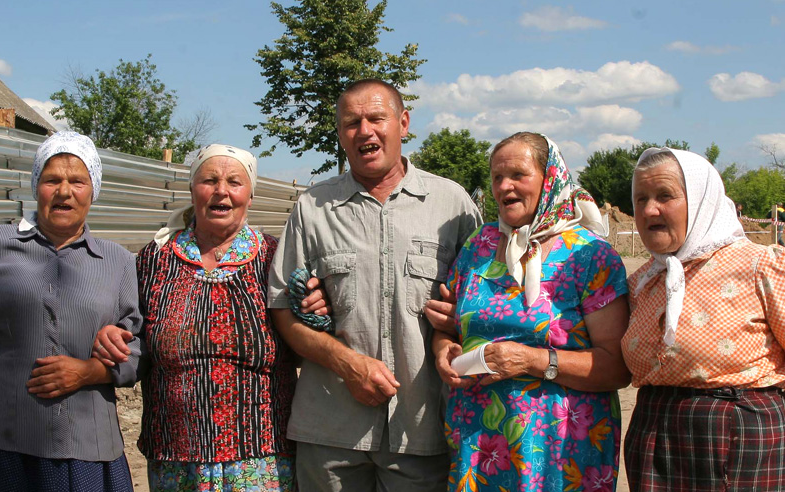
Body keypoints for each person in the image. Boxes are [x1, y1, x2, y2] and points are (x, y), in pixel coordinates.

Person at [267, 79, 482, 491]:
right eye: (352, 123)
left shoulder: (452, 205)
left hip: (423, 431)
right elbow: (281, 309)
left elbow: (489, 301)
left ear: (404, 123)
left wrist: (461, 320)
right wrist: (346, 364)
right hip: (330, 432)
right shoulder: (313, 208)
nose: (364, 131)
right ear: (340, 134)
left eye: (376, 118)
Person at [95, 144, 312, 492]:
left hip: (263, 458)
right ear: (192, 189)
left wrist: (317, 308)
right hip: (176, 456)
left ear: (250, 195)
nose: (221, 190)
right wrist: (113, 333)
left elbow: (307, 336)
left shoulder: (276, 258)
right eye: (209, 180)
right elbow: (131, 331)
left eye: (234, 182)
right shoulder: (155, 259)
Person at [432, 132, 630, 491]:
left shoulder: (590, 256)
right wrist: (443, 348)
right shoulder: (479, 246)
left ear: (550, 178)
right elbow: (450, 324)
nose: (504, 186)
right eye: (497, 177)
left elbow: (616, 367)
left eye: (518, 175)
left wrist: (532, 361)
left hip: (560, 448)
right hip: (479, 441)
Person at [0, 131, 143, 491]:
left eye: (77, 181)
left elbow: (141, 348)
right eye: (52, 180)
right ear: (36, 187)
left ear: (93, 191)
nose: (64, 191)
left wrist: (89, 372)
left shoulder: (118, 261)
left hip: (89, 449)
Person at [622, 147, 785, 491]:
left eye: (664, 195)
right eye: (640, 199)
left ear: (701, 200)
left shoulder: (759, 265)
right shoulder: (641, 283)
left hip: (739, 440)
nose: (649, 209)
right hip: (653, 436)